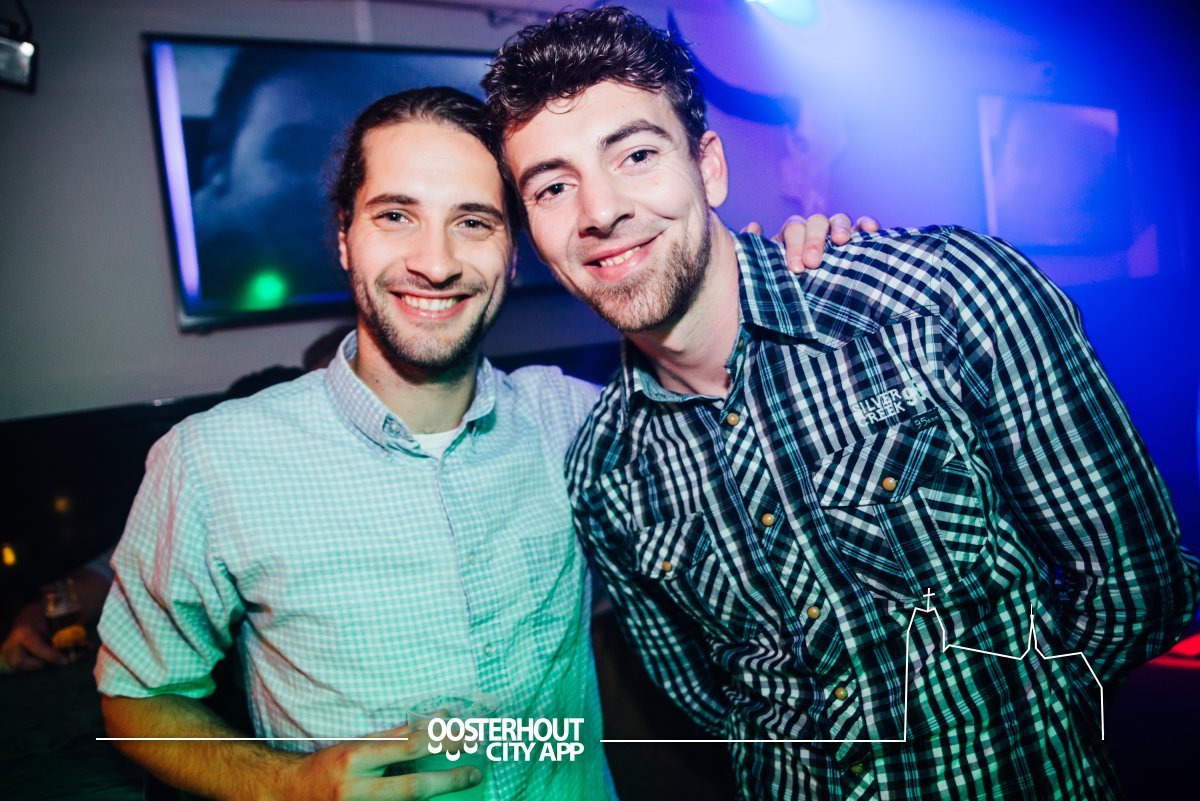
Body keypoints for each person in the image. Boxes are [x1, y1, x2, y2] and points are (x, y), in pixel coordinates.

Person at [483, 7, 1200, 800]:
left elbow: (1138, 585)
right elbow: (712, 700)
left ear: (708, 167)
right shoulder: (605, 469)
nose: (599, 211)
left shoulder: (940, 298)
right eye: (553, 186)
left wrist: (1023, 725)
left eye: (638, 154)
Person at [96, 85, 861, 800]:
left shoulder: (579, 425)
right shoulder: (214, 461)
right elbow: (136, 693)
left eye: (474, 221)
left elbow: (749, 415)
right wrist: (285, 783)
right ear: (344, 237)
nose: (435, 262)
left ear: (513, 253)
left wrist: (799, 269)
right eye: (396, 215)